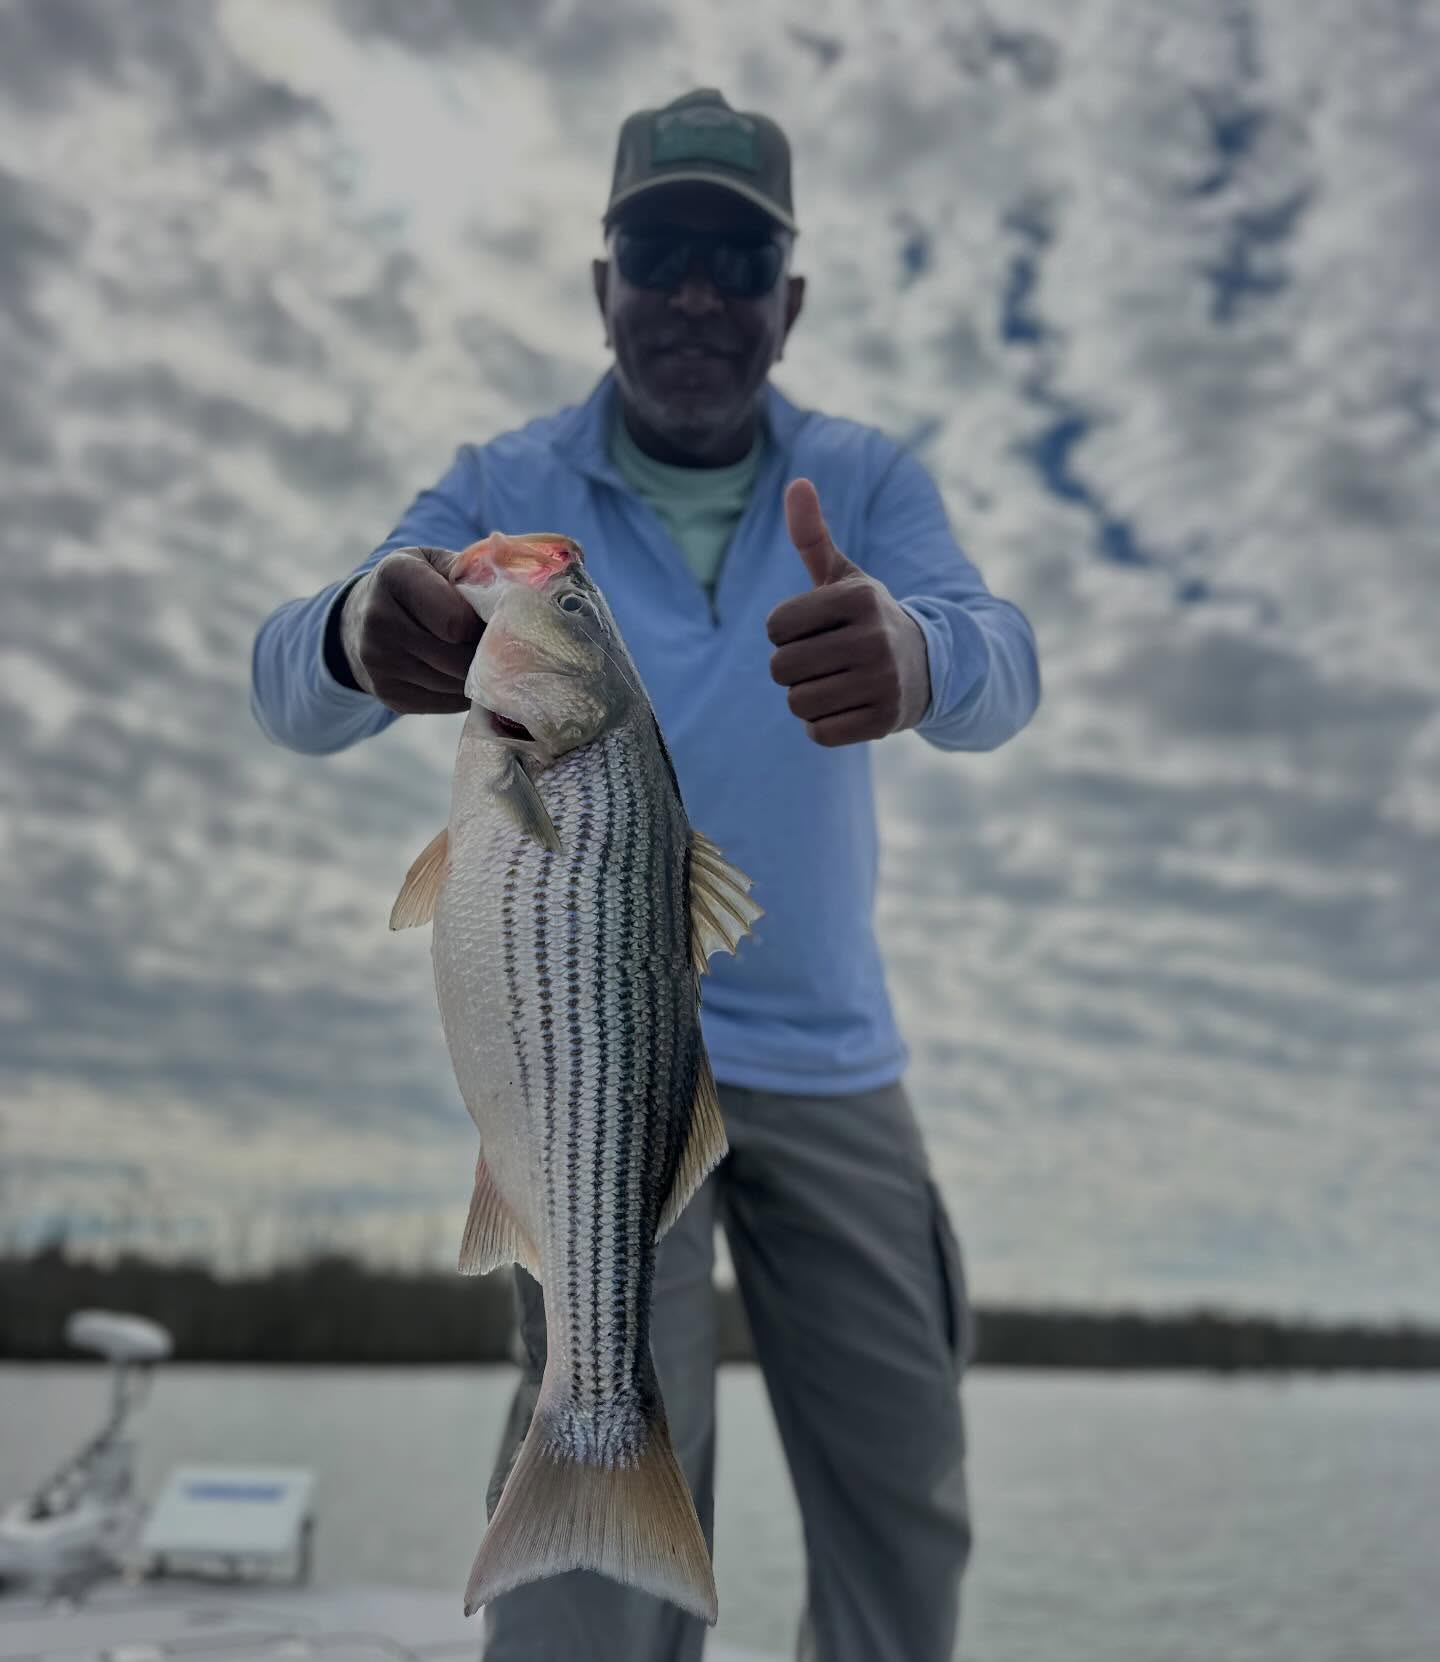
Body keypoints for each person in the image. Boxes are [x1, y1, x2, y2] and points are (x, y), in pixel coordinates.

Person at [252, 87, 1040, 1662]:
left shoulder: (863, 477)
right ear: (601, 280)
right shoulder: (504, 483)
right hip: (584, 1063)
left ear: (786, 301)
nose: (694, 293)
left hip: (830, 1054)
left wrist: (919, 652)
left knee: (904, 1483)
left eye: (735, 261)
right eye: (658, 250)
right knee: (599, 1515)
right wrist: (354, 624)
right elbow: (288, 680)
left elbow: (1003, 658)